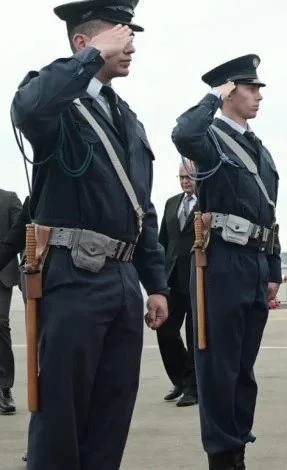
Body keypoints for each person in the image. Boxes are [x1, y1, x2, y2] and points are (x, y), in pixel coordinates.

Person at [10, 1, 170, 468]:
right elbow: (28, 108)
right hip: (72, 277)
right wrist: (89, 58)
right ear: (84, 42)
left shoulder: (128, 118)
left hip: (122, 280)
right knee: (61, 415)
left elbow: (142, 208)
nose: (131, 46)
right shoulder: (58, 103)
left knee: (111, 414)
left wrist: (156, 283)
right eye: (120, 36)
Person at [171, 53, 281, 469]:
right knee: (219, 365)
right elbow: (183, 133)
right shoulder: (211, 138)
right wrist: (211, 97)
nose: (258, 96)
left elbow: (268, 213)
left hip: (255, 263)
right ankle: (222, 455)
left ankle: (237, 447)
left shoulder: (260, 149)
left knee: (243, 367)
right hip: (221, 263)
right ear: (230, 91)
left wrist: (273, 268)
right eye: (250, 88)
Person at [156, 160, 199, 407]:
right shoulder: (171, 203)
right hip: (171, 278)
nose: (184, 181)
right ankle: (181, 379)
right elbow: (163, 241)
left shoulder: (207, 204)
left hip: (196, 278)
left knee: (194, 333)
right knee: (165, 329)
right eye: (181, 177)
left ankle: (194, 387)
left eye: (189, 177)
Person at [0, 189, 21, 415]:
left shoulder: (9, 199)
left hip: (2, 273)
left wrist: (30, 269)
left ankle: (4, 388)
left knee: (0, 323)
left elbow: (23, 234)